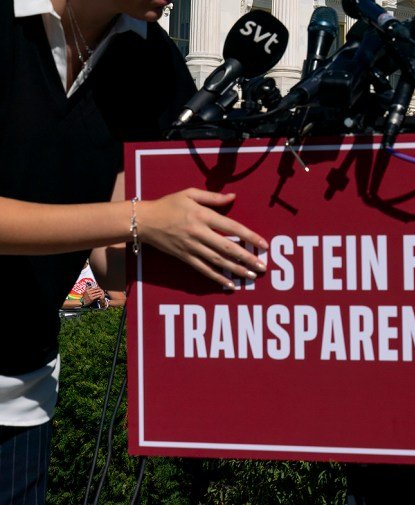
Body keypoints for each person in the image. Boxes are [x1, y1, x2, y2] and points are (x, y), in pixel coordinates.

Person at [1, 1, 268, 502]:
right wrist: (141, 219)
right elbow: (132, 217)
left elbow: (109, 261)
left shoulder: (151, 57)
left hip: (23, 390)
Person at [61, 260, 126, 311]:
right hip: (64, 321)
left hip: (90, 320)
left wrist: (104, 302)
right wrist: (82, 301)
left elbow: (123, 302)